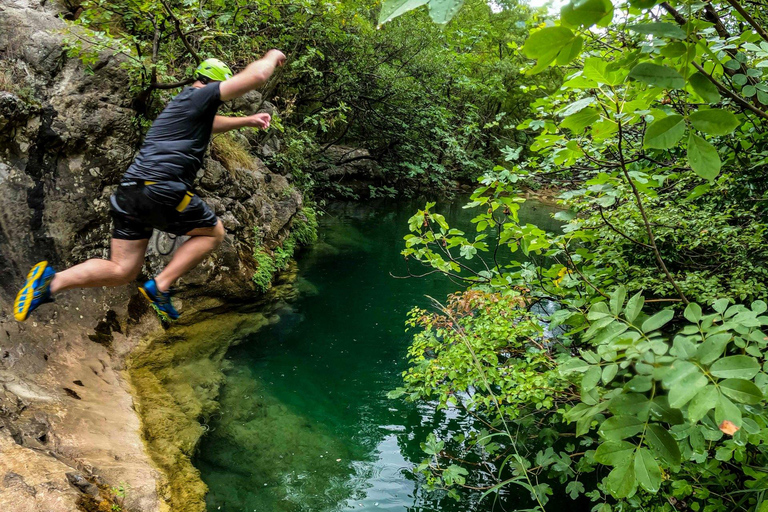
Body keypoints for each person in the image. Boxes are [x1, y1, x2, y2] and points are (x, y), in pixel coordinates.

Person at [13, 50, 287, 322]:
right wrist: (272, 56)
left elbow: (211, 124)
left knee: (123, 270)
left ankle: (51, 282)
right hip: (162, 188)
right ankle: (162, 285)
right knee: (213, 233)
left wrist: (248, 121)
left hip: (130, 192)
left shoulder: (181, 105)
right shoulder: (201, 95)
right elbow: (257, 75)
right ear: (213, 84)